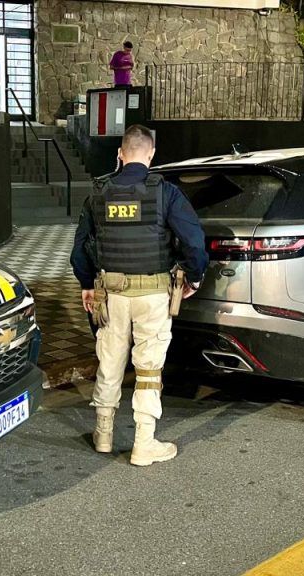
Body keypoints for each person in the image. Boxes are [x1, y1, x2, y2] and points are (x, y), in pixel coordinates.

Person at [70, 124, 208, 466]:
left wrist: (87, 284)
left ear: (120, 154)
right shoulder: (165, 193)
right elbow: (193, 242)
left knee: (110, 360)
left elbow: (79, 250)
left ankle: (103, 434)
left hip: (109, 294)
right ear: (150, 155)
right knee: (148, 368)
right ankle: (144, 443)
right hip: (153, 295)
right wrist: (194, 278)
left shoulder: (99, 193)